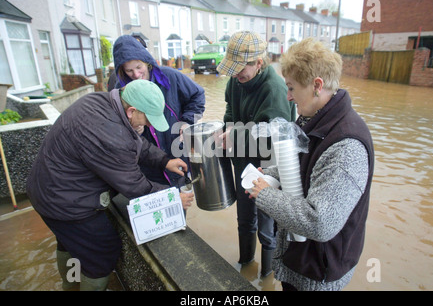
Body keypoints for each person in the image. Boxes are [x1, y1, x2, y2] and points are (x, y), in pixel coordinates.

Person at [26, 79, 194, 291]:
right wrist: (172, 197)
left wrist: (164, 160)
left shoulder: (101, 101)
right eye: (148, 120)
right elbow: (135, 186)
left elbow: (135, 142)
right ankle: (77, 285)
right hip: (67, 203)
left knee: (69, 243)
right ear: (132, 110)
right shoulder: (110, 134)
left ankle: (69, 285)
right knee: (102, 255)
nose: (150, 126)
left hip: (48, 190)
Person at [248, 38, 375, 291]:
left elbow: (320, 222)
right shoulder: (313, 120)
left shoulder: (347, 147)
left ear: (317, 85)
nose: (288, 96)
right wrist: (272, 174)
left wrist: (266, 195)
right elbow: (305, 168)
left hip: (317, 273)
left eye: (292, 88)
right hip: (300, 258)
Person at [216, 31, 296, 277]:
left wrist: (236, 137)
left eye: (241, 70)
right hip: (242, 163)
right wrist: (227, 127)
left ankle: (267, 275)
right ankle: (245, 265)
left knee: (267, 227)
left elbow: (275, 136)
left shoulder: (274, 89)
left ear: (259, 63)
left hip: (266, 169)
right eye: (233, 69)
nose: (236, 75)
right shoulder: (236, 80)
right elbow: (230, 106)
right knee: (243, 220)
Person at [112, 35, 205, 188]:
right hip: (150, 163)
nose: (135, 75)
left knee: (181, 200)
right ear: (121, 70)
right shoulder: (119, 90)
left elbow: (198, 95)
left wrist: (188, 121)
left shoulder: (170, 76)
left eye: (138, 67)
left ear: (146, 62)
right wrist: (132, 129)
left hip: (177, 149)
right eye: (129, 71)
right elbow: (118, 129)